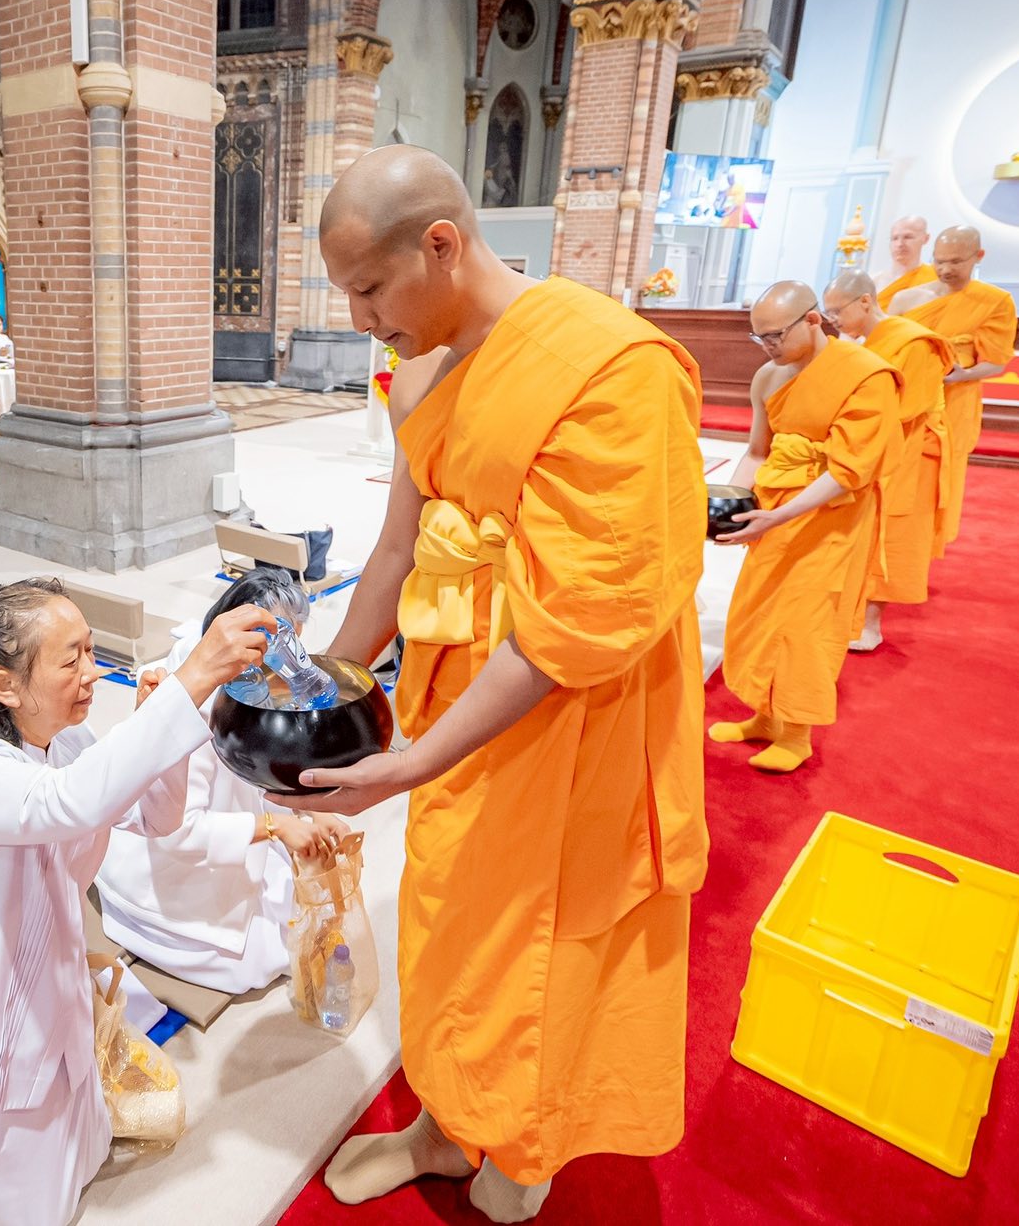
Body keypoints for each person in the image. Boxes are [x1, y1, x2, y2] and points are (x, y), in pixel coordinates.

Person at [277, 145, 709, 1223]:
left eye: (368, 288)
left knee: (542, 933)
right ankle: (440, 1118)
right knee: (448, 912)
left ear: (440, 244)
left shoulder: (611, 367)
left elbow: (577, 624)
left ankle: (520, 1149)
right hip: (454, 680)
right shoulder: (419, 362)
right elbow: (393, 551)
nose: (360, 316)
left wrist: (413, 760)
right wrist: (323, 692)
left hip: (575, 704)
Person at [0, 578, 273, 1226]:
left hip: (49, 979)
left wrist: (159, 732)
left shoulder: (70, 744)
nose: (92, 673)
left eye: (92, 651)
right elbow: (69, 804)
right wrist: (192, 676)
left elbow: (158, 819)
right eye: (71, 659)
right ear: (5, 686)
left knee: (71, 1147)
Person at [96, 567, 344, 994]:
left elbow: (249, 776)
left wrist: (301, 815)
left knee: (299, 895)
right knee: (267, 957)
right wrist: (276, 827)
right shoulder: (185, 700)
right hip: (167, 861)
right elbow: (174, 830)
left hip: (221, 833)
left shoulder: (248, 680)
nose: (289, 666)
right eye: (281, 651)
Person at [710, 281, 901, 772]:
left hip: (831, 518)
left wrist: (778, 516)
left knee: (805, 624)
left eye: (776, 336)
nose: (770, 347)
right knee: (761, 612)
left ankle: (796, 736)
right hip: (774, 513)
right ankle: (763, 716)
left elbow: (846, 471)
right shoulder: (768, 378)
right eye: (760, 339)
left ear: (813, 320)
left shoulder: (865, 376)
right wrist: (729, 506)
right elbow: (757, 452)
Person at [824, 268, 955, 653]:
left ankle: (871, 621)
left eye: (837, 312)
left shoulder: (914, 343)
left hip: (909, 451)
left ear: (865, 301)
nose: (834, 321)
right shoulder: (866, 342)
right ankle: (846, 611)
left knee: (891, 534)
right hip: (874, 445)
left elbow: (903, 408)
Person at [888, 224, 1017, 549]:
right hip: (905, 403)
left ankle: (920, 548)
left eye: (957, 262)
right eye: (940, 261)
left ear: (978, 257)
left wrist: (959, 374)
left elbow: (997, 361)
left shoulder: (993, 301)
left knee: (933, 481)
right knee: (895, 474)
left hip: (953, 403)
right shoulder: (908, 298)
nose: (946, 269)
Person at [873, 214, 934, 310]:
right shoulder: (875, 282)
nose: (900, 244)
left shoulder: (935, 278)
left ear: (925, 239)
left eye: (908, 237)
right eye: (895, 238)